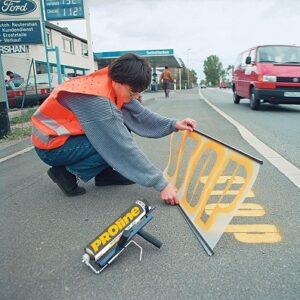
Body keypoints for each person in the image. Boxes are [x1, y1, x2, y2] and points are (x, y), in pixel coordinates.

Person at [31, 53, 196, 205]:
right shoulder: (99, 101)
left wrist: (173, 124)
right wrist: (162, 184)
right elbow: (123, 147)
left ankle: (105, 175)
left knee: (120, 128)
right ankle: (67, 173)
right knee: (113, 139)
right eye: (132, 92)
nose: (135, 97)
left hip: (62, 138)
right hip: (51, 147)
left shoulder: (111, 80)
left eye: (138, 93)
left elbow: (140, 114)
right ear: (118, 81)